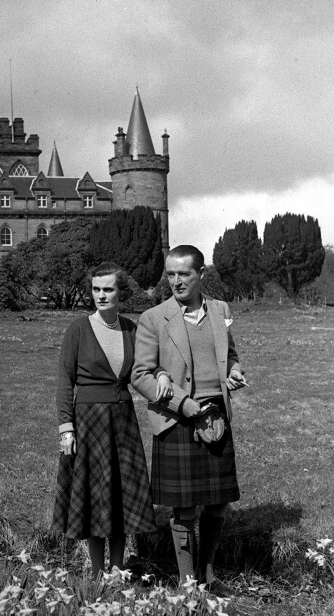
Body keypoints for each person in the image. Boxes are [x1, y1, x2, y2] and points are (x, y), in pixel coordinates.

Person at [132, 245, 247, 595]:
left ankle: (207, 576)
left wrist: (236, 371)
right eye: (171, 274)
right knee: (183, 509)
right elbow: (140, 375)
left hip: (215, 418)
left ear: (201, 275)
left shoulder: (219, 311)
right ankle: (187, 585)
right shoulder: (154, 317)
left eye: (184, 274)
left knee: (217, 503)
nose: (176, 281)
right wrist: (183, 405)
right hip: (177, 419)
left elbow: (230, 354)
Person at [53, 262, 162, 578]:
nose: (101, 295)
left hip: (123, 421)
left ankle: (118, 571)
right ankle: (98, 571)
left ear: (120, 292)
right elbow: (64, 379)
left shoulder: (131, 329)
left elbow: (148, 367)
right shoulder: (78, 330)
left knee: (120, 496)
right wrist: (66, 428)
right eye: (96, 289)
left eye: (108, 289)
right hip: (88, 422)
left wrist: (164, 376)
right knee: (95, 496)